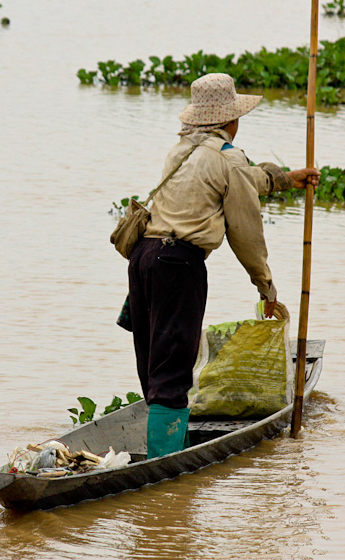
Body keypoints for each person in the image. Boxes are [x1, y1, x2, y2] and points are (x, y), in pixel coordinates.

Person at [128, 73, 320, 459]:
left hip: (143, 258)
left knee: (154, 363)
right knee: (174, 367)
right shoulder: (226, 157)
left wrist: (286, 179)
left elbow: (241, 177)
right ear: (229, 121)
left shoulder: (181, 151)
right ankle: (164, 466)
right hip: (178, 265)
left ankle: (166, 447)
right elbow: (246, 234)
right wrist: (266, 288)